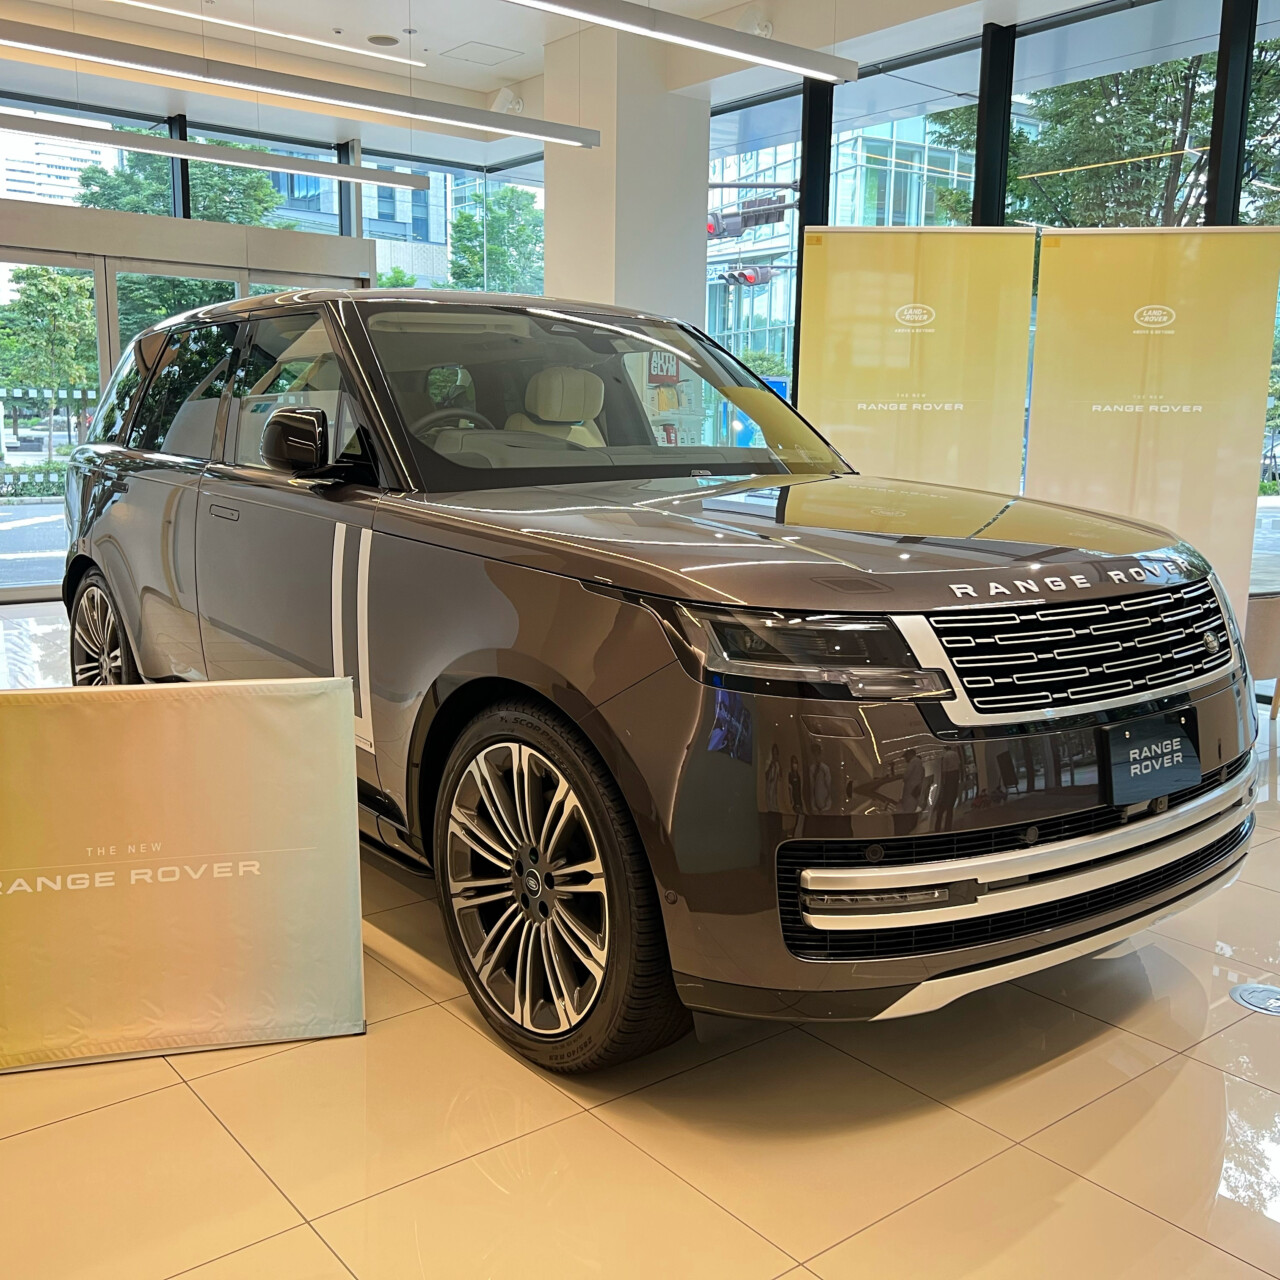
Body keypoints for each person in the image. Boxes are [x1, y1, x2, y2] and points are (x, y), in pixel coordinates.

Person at [809, 744, 832, 814]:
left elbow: (828, 784)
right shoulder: (812, 768)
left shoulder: (825, 768)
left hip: (825, 797)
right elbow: (811, 786)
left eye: (818, 754)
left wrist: (828, 799)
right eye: (814, 754)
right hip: (815, 798)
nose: (816, 757)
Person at [765, 743, 781, 811]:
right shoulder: (768, 762)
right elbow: (766, 775)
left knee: (774, 797)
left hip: (775, 785)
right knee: (769, 797)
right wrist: (770, 766)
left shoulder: (778, 764)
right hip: (769, 784)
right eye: (773, 753)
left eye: (776, 753)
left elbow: (780, 776)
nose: (775, 755)